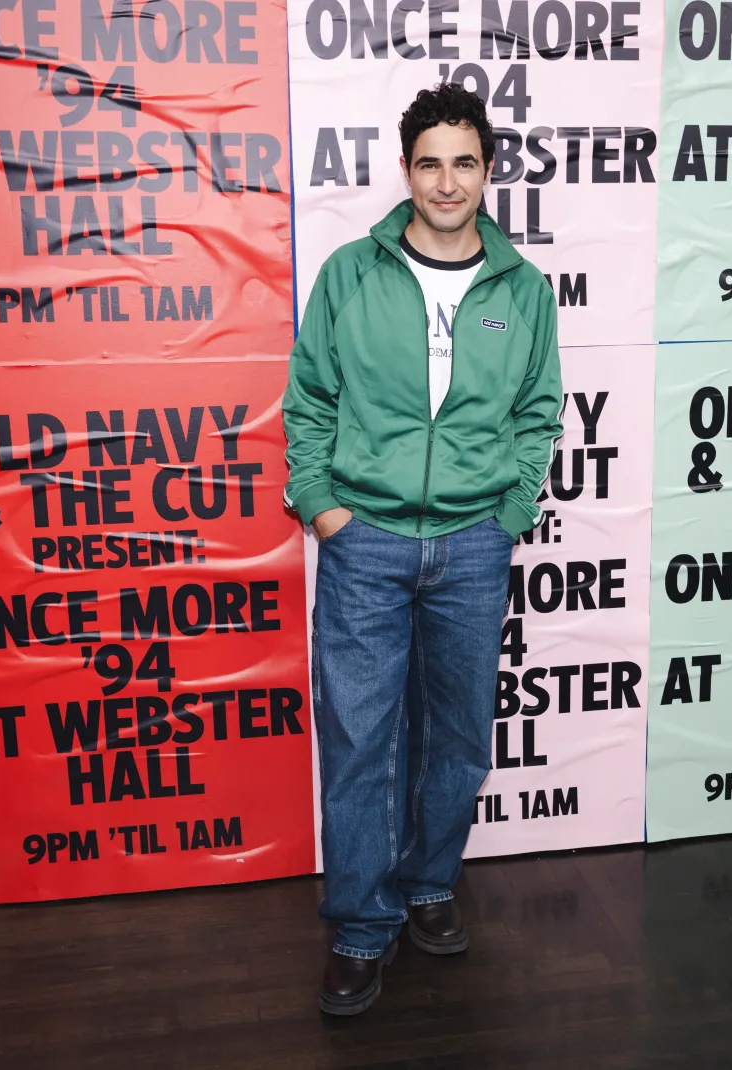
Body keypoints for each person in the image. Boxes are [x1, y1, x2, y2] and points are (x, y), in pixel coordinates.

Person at [282, 83, 563, 1017]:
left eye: (465, 162)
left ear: (488, 171)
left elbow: (538, 410)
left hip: (473, 547)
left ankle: (430, 881)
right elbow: (310, 399)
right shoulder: (349, 275)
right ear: (407, 171)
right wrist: (322, 508)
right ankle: (362, 927)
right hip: (363, 542)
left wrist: (510, 514)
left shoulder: (522, 289)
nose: (448, 182)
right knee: (361, 742)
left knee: (456, 736)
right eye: (430, 162)